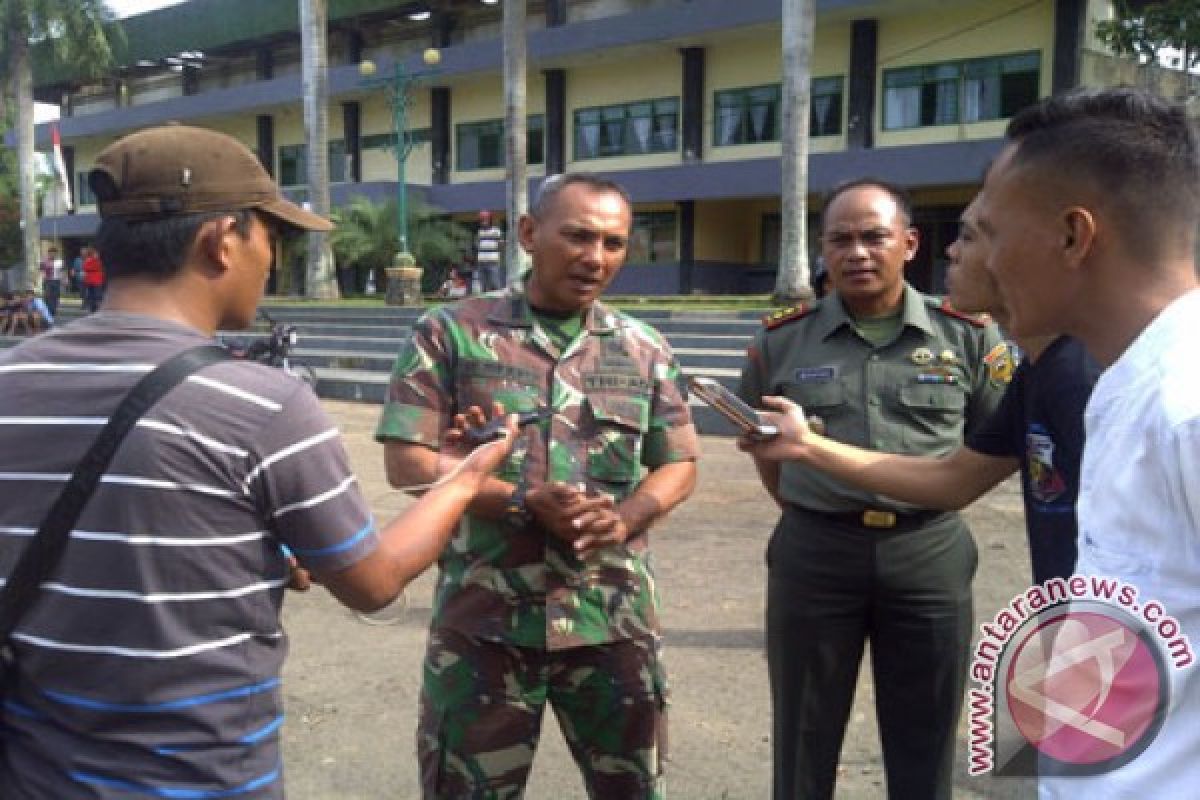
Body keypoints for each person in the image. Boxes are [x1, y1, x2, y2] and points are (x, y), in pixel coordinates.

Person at [0, 124, 516, 799]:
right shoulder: (264, 405)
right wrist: (464, 480)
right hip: (200, 781)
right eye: (269, 236)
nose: (271, 258)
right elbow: (373, 583)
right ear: (221, 240)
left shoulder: (10, 379)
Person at [377, 172, 700, 799]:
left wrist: (629, 515)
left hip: (612, 622)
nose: (596, 257)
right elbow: (408, 463)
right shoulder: (450, 334)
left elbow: (679, 463)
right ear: (529, 234)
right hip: (484, 629)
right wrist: (519, 499)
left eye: (613, 243)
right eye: (578, 236)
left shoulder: (644, 349)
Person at [736, 178, 1010, 800]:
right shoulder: (781, 339)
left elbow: (991, 445)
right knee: (804, 733)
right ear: (824, 250)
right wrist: (807, 507)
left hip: (928, 552)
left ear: (908, 244)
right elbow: (766, 449)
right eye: (840, 240)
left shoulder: (969, 335)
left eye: (873, 237)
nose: (856, 252)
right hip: (816, 551)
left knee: (927, 733)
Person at [974, 87, 1200, 796]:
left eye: (991, 233)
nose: (986, 262)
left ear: (1074, 236)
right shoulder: (1123, 385)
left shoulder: (1184, 406)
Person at [742, 195, 1099, 586]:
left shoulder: (1080, 378)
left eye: (968, 237)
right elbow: (957, 480)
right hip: (817, 541)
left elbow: (972, 465)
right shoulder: (1042, 372)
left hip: (935, 548)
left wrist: (808, 447)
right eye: (840, 240)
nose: (951, 251)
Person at [475, 208, 504, 292]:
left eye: (485, 219)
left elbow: (501, 246)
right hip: (481, 262)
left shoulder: (496, 231)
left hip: (492, 262)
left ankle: (499, 303)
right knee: (483, 286)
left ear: (490, 219)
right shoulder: (479, 232)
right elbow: (478, 246)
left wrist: (495, 255)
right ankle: (485, 304)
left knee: (495, 284)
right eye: (482, 220)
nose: (483, 221)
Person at [38, 246, 64, 317]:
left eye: (54, 253)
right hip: (48, 280)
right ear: (48, 253)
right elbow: (41, 270)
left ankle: (53, 310)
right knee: (48, 296)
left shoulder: (59, 261)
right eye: (51, 253)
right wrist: (42, 278)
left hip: (56, 280)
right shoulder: (44, 261)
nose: (52, 255)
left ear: (56, 254)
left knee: (56, 296)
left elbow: (62, 271)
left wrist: (64, 279)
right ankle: (48, 310)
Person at [81, 246, 105, 312]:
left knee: (97, 296)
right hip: (92, 281)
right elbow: (85, 267)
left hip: (96, 281)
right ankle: (93, 309)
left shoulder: (97, 261)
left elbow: (87, 267)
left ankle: (96, 308)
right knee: (92, 296)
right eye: (95, 253)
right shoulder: (91, 260)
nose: (96, 255)